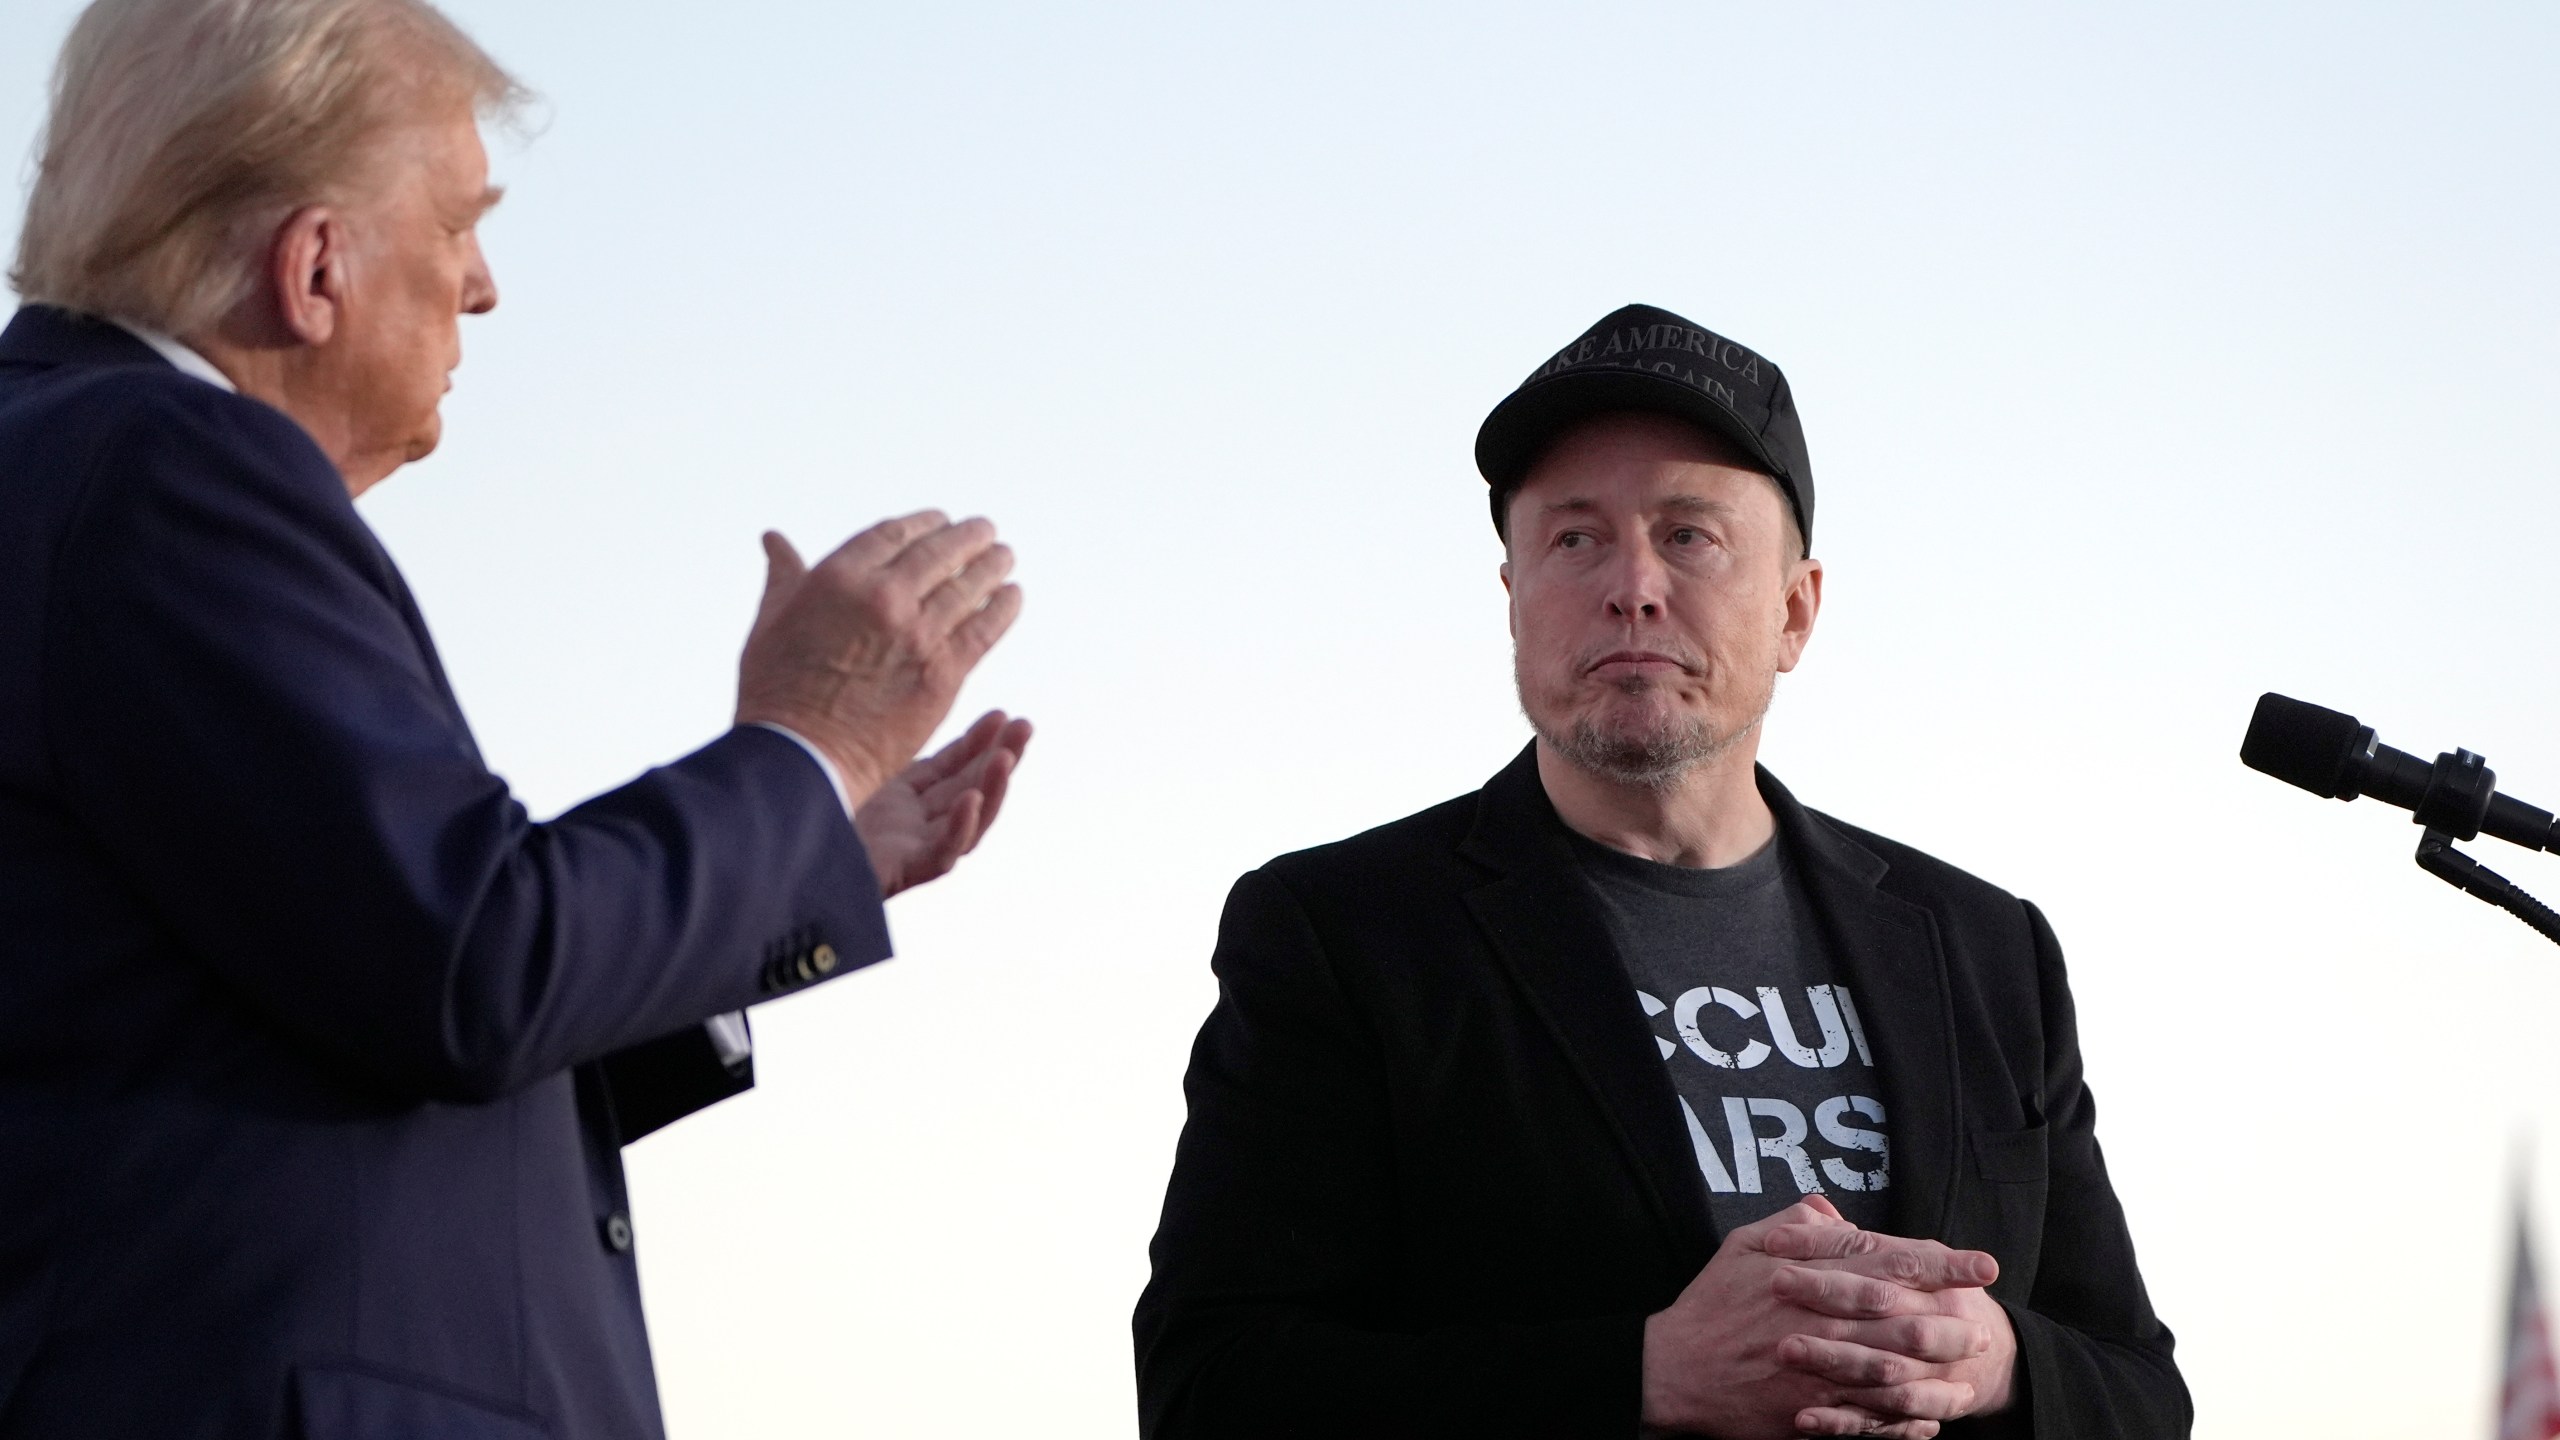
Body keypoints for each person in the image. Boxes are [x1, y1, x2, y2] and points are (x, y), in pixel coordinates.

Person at [0, 1, 1028, 1434]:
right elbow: (471, 969)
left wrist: (804, 840)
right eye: (463, 223)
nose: (482, 288)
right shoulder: (163, 467)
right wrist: (807, 747)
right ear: (314, 266)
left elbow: (364, 990)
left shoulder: (71, 464)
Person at [1133, 304, 2188, 1439]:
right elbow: (1214, 1390)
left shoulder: (1984, 947)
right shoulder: (1341, 934)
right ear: (1515, 601)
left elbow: (2139, 1389)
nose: (1629, 586)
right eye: (1574, 539)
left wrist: (1997, 1361)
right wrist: (1641, 1378)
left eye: (1689, 535)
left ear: (1794, 610)